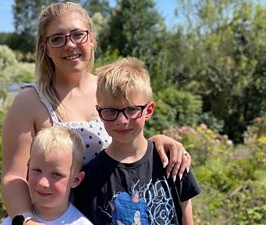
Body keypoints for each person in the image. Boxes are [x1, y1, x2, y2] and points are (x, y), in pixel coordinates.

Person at [1, 2, 191, 225]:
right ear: (45, 47)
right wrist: (28, 221)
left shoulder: (110, 89)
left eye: (78, 35)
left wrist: (159, 142)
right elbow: (13, 177)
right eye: (57, 38)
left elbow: (130, 143)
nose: (70, 45)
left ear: (91, 39)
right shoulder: (29, 101)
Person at [74, 57, 201, 225]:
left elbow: (187, 219)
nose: (122, 120)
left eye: (132, 110)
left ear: (148, 111)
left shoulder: (173, 162)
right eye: (111, 111)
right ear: (99, 112)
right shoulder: (90, 177)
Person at [1, 126, 92, 225]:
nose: (42, 183)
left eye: (56, 174)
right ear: (28, 165)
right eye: (37, 170)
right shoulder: (13, 221)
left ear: (76, 180)